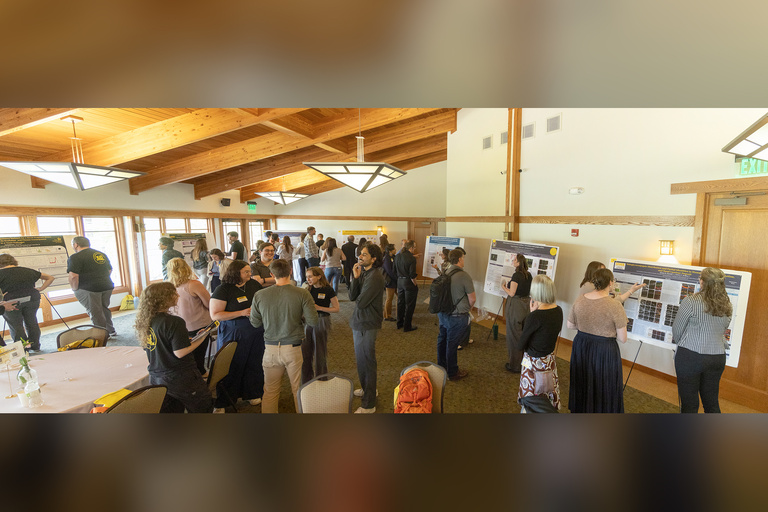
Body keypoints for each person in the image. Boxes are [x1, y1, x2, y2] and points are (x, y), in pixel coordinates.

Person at [250, 259, 318, 413]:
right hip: (293, 348)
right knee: (298, 390)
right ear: (291, 272)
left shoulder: (260, 295)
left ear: (271, 274)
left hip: (270, 349)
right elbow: (313, 321)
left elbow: (254, 323)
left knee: (270, 391)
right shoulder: (302, 293)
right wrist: (299, 316)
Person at [135, 282, 213, 413]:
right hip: (180, 377)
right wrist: (203, 337)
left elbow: (157, 343)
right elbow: (181, 352)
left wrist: (183, 339)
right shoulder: (174, 322)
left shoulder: (146, 321)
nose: (177, 295)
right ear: (165, 298)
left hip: (157, 377)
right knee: (203, 406)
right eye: (173, 293)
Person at [567, 268, 628, 413]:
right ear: (611, 283)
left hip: (581, 345)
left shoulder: (580, 298)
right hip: (604, 350)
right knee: (603, 384)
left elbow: (570, 325)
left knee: (583, 380)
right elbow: (623, 338)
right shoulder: (615, 305)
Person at [672, 267, 733, 413]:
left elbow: (677, 329)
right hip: (717, 357)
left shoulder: (691, 301)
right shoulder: (727, 304)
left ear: (702, 282)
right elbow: (724, 326)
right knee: (711, 403)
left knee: (690, 404)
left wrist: (683, 344)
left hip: (690, 356)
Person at [209, 260, 264, 412]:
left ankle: (252, 393)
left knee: (254, 363)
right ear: (236, 273)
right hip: (233, 332)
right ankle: (223, 402)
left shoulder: (253, 284)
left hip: (256, 331)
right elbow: (215, 315)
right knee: (232, 365)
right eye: (246, 271)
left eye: (249, 271)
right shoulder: (223, 289)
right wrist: (242, 312)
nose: (249, 273)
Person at [348, 243, 385, 413]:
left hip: (367, 323)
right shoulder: (364, 273)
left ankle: (369, 404)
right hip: (360, 321)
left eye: (364, 254)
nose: (360, 257)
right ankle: (367, 388)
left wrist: (359, 287)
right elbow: (352, 296)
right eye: (360, 254)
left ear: (374, 258)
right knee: (362, 360)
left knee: (366, 361)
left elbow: (361, 303)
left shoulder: (375, 277)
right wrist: (355, 278)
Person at [518, 275, 563, 412]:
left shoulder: (535, 316)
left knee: (532, 398)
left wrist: (531, 313)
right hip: (549, 360)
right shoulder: (558, 310)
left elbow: (520, 344)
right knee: (548, 393)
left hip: (533, 363)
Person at [166, 257, 212, 376]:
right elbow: (209, 304)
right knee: (198, 358)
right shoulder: (194, 284)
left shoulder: (167, 287)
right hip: (198, 325)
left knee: (184, 358)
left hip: (178, 326)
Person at [0, 254, 54, 351]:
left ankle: (22, 349)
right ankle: (35, 346)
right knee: (32, 322)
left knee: (16, 326)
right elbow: (50, 278)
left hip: (11, 302)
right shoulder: (27, 270)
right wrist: (41, 289)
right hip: (32, 299)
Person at [436, 249, 475, 381]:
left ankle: (441, 366)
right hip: (457, 316)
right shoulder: (464, 276)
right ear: (459, 259)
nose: (464, 260)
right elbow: (472, 298)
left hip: (443, 313)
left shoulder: (445, 271)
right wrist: (468, 308)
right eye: (463, 257)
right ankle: (452, 372)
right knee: (451, 344)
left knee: (442, 339)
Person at [67, 236, 116, 337]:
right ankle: (110, 330)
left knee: (96, 312)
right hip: (107, 286)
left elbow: (73, 276)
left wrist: (74, 288)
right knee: (104, 308)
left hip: (89, 288)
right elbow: (109, 270)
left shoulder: (75, 257)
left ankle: (101, 335)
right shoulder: (100, 254)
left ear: (76, 245)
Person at [301, 267, 340, 384]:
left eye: (311, 276)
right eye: (307, 276)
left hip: (322, 320)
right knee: (305, 351)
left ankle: (321, 379)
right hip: (308, 320)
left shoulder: (328, 290)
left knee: (320, 351)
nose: (308, 279)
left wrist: (319, 308)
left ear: (319, 276)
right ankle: (306, 380)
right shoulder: (307, 288)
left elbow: (336, 308)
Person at [501, 253, 532, 373]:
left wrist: (504, 286)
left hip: (516, 306)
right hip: (526, 305)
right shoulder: (529, 275)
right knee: (524, 335)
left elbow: (512, 293)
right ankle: (525, 363)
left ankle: (514, 366)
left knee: (514, 336)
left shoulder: (516, 275)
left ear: (518, 263)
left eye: (514, 260)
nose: (513, 261)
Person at [579, 260, 645, 302]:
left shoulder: (590, 285)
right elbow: (612, 301)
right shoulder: (589, 286)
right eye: (601, 271)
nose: (604, 273)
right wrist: (631, 291)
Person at [395, 239, 419, 332]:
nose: (415, 249)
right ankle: (407, 326)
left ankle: (399, 323)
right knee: (409, 305)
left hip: (399, 282)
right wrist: (415, 284)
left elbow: (394, 270)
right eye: (415, 247)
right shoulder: (412, 258)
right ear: (411, 247)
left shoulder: (397, 256)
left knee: (400, 303)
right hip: (409, 283)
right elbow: (412, 274)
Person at [381, 244, 397, 322]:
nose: (396, 250)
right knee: (389, 299)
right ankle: (387, 315)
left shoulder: (392, 257)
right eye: (394, 249)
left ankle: (398, 313)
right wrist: (396, 278)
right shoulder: (387, 259)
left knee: (399, 297)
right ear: (390, 250)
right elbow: (390, 271)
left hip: (394, 281)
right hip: (390, 282)